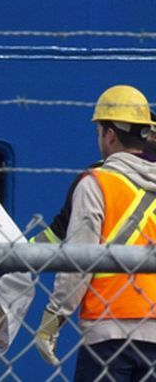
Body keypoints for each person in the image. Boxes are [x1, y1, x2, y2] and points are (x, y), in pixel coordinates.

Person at [34, 85, 156, 379]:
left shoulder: (96, 184)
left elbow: (78, 261)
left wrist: (53, 319)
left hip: (108, 336)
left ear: (109, 135)